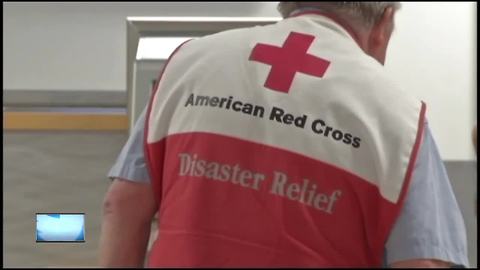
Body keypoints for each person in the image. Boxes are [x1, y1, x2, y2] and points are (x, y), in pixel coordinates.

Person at [99, 2, 469, 267]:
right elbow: (421, 261)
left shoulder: (188, 64)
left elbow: (122, 205)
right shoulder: (401, 119)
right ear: (384, 24)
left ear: (285, 6)